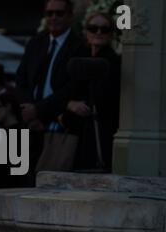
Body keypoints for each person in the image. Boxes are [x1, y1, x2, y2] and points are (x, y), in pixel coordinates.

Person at [16, 0, 83, 182]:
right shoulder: (36, 43)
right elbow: (21, 78)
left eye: (59, 13)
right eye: (49, 13)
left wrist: (39, 110)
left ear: (70, 16)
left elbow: (72, 88)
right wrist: (29, 108)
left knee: (50, 180)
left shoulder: (79, 46)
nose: (53, 18)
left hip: (58, 126)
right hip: (31, 123)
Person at [60, 11, 121, 172]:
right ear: (85, 32)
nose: (99, 33)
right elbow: (64, 89)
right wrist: (69, 104)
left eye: (104, 29)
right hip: (76, 132)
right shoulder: (78, 58)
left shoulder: (114, 62)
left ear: (111, 34)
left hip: (100, 132)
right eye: (93, 28)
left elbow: (108, 99)